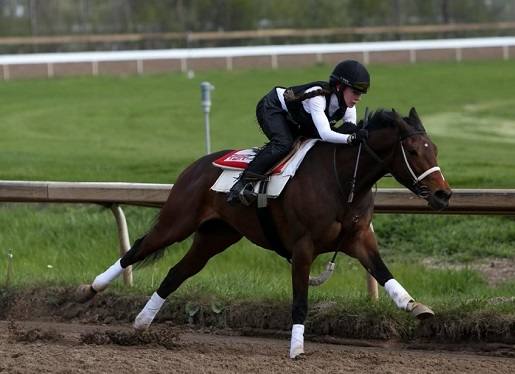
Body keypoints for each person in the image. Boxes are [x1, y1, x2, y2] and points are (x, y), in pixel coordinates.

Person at [227, 59, 370, 206]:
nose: (358, 98)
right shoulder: (318, 99)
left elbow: (348, 130)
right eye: (355, 92)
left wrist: (362, 132)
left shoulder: (349, 107)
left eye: (361, 94)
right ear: (340, 87)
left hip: (297, 120)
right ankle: (241, 185)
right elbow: (326, 133)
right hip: (273, 107)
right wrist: (351, 138)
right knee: (283, 144)